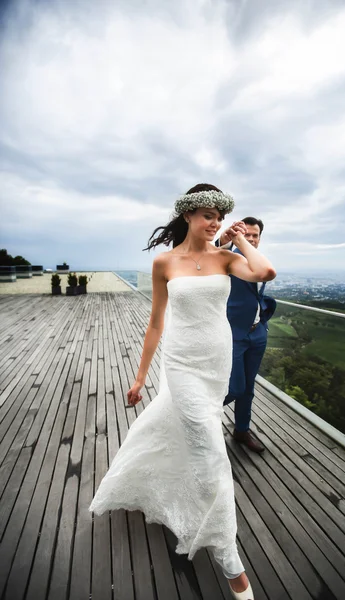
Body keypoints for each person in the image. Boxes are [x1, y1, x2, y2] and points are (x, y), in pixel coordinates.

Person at [89, 183, 276, 599]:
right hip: (181, 363)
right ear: (189, 216)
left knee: (182, 428)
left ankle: (143, 475)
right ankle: (232, 565)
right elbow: (156, 322)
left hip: (216, 363)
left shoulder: (229, 258)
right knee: (211, 453)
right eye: (207, 215)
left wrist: (242, 239)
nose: (215, 223)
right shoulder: (164, 263)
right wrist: (140, 377)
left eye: (220, 217)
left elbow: (265, 272)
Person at [216, 218, 277, 453]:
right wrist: (224, 241)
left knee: (248, 388)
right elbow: (214, 254)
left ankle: (242, 430)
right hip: (232, 334)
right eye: (247, 234)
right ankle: (197, 419)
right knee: (234, 387)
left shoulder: (254, 258)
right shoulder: (226, 258)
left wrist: (262, 320)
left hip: (257, 333)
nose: (251, 239)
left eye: (256, 235)